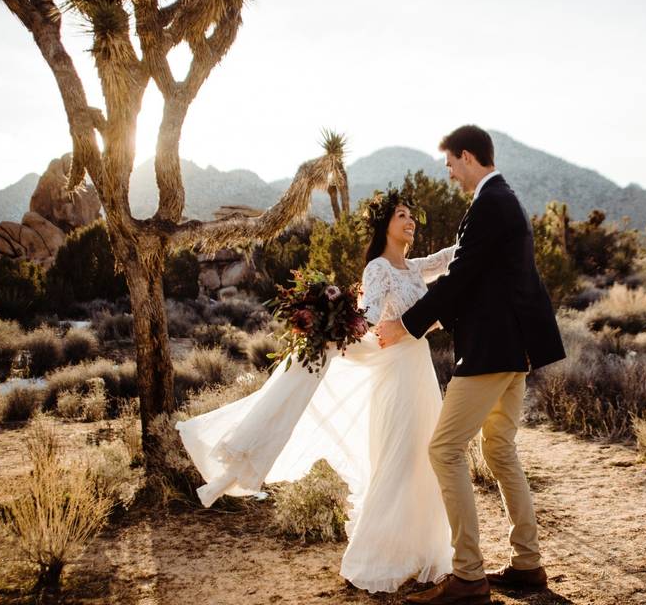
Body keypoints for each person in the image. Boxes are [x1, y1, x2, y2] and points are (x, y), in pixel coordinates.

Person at [176, 192, 456, 593]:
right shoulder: (378, 269)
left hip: (421, 373)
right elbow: (371, 321)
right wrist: (334, 328)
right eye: (401, 215)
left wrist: (482, 229)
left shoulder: (412, 268)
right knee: (398, 459)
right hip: (396, 378)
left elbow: (448, 257)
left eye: (413, 215)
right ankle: (378, 559)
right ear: (384, 226)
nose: (410, 221)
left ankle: (423, 553)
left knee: (422, 461)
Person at [377, 125, 566, 605]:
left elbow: (461, 278)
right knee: (499, 449)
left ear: (466, 156)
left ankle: (467, 576)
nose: (448, 173)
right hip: (512, 349)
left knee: (443, 450)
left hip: (491, 349)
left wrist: (406, 325)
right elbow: (477, 275)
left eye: (450, 163)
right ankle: (527, 564)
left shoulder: (491, 203)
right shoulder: (502, 200)